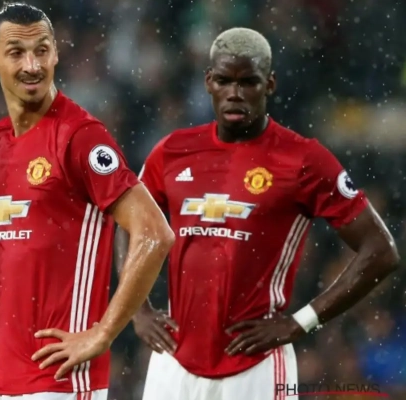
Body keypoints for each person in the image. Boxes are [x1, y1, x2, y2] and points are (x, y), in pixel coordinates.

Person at [114, 27, 400, 400]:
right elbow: (128, 221)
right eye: (224, 81)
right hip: (173, 361)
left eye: (248, 82)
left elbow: (381, 250)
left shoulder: (303, 159)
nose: (235, 93)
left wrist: (300, 322)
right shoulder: (173, 151)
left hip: (256, 365)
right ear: (208, 82)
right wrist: (137, 309)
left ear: (270, 84)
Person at [0, 3, 174, 400]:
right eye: (16, 53)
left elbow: (154, 233)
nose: (32, 65)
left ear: (56, 54)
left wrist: (103, 333)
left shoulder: (80, 137)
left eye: (41, 51)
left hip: (57, 378)